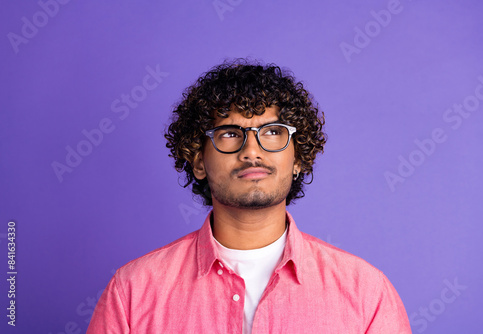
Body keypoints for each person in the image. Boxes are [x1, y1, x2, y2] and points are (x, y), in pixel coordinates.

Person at [87, 59, 412, 333]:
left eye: (272, 132)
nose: (252, 151)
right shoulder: (132, 292)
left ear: (298, 158)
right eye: (230, 134)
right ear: (199, 160)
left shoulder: (367, 294)